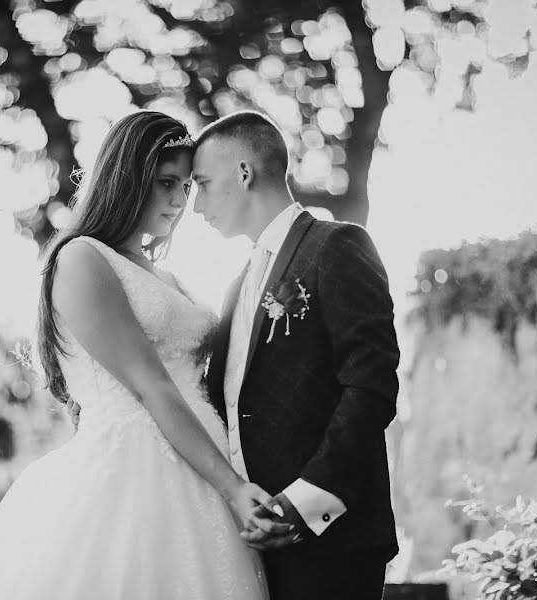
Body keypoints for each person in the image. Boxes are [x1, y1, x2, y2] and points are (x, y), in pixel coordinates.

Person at [0, 110, 282, 600]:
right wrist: (232, 487)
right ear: (127, 179)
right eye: (166, 182)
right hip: (136, 473)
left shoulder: (169, 278)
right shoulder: (83, 258)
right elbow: (151, 384)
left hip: (204, 465)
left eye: (186, 185)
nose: (180, 199)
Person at [194, 110, 401, 599]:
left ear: (243, 173)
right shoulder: (236, 286)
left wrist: (304, 504)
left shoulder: (337, 246)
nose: (196, 204)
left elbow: (371, 387)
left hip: (333, 544)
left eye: (202, 183)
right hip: (254, 542)